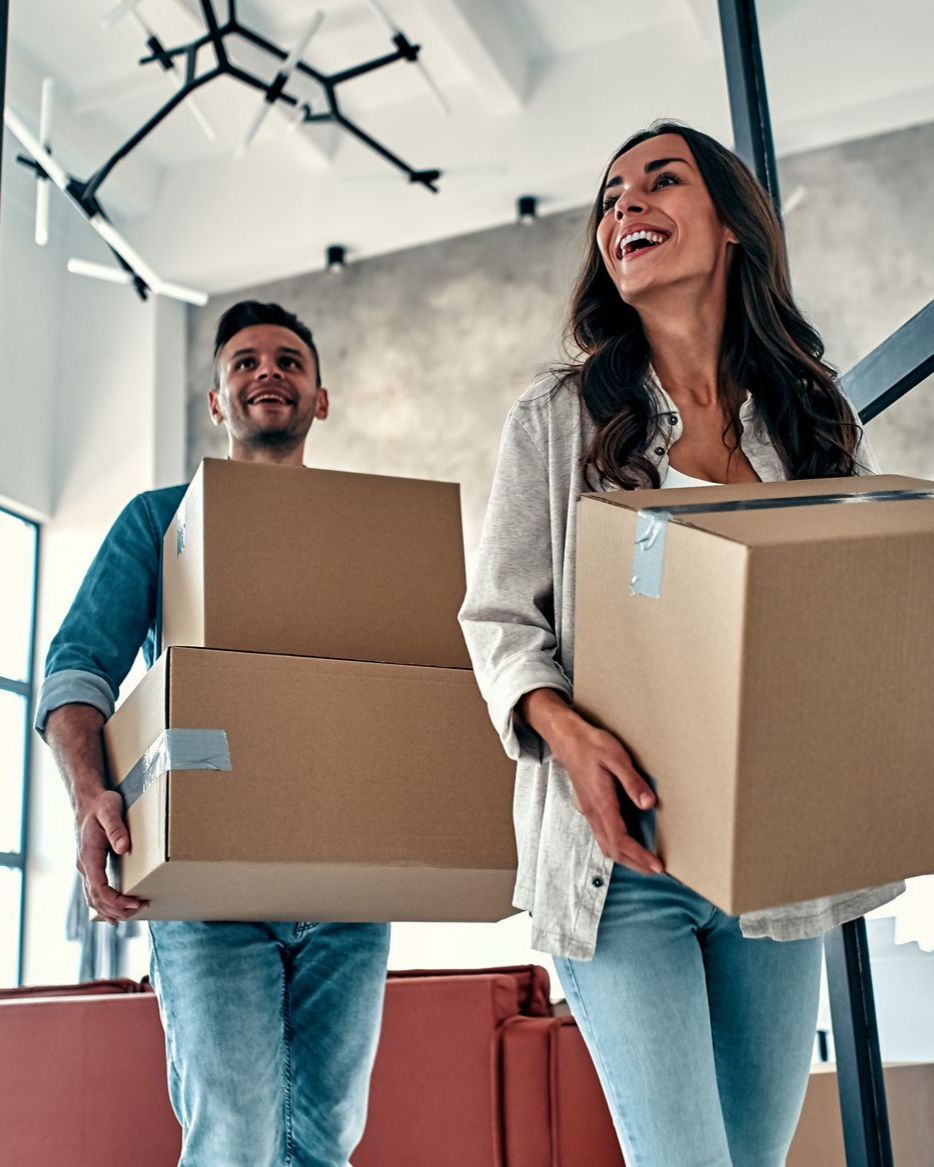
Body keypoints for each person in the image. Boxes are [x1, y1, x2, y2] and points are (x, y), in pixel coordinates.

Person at [458, 122, 904, 1166]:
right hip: (624, 867)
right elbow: (499, 623)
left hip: (773, 865)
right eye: (610, 198)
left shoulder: (813, 423)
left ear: (733, 228)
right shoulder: (558, 417)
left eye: (661, 182)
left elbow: (851, 624)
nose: (625, 209)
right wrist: (564, 733)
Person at [37, 301, 391, 1167]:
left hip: (349, 881)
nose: (267, 372)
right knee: (232, 1131)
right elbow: (76, 672)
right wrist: (93, 799)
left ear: (322, 397)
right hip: (208, 881)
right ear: (215, 400)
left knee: (326, 1139)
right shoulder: (159, 520)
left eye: (288, 360)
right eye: (243, 362)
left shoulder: (372, 533)